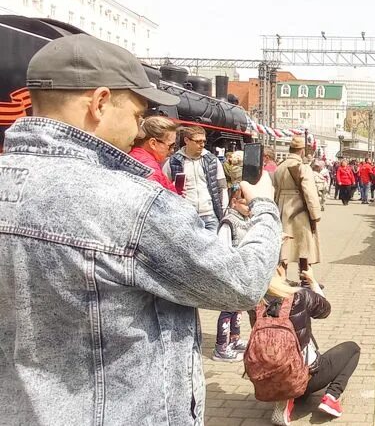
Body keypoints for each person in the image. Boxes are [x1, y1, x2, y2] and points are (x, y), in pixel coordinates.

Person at [0, 34, 282, 425]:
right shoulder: (130, 203)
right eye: (136, 114)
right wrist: (265, 206)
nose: (138, 129)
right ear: (99, 103)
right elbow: (243, 282)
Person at [259, 267, 360, 425]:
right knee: (353, 349)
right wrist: (312, 281)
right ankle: (331, 397)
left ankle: (285, 398)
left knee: (285, 366)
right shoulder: (300, 295)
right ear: (279, 270)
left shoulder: (255, 301)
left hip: (268, 379)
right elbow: (325, 310)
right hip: (304, 377)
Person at [212, 183, 255, 362]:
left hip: (243, 272)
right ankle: (221, 346)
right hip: (230, 273)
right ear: (235, 201)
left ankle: (234, 339)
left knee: (239, 308)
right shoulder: (229, 222)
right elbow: (222, 249)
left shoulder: (246, 220)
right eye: (246, 204)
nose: (250, 208)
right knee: (228, 309)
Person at [274, 136, 322, 285]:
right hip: (299, 209)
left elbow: (275, 189)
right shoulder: (303, 167)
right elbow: (309, 192)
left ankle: (281, 278)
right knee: (304, 245)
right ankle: (306, 278)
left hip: (282, 207)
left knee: (284, 246)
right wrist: (315, 214)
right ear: (302, 151)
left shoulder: (280, 167)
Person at [164, 125, 229, 231]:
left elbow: (222, 187)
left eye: (203, 141)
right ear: (186, 140)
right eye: (198, 141)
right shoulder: (173, 162)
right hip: (186, 216)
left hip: (210, 215)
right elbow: (164, 187)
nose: (202, 145)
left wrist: (224, 211)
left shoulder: (212, 160)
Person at [129, 116, 180, 193]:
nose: (172, 150)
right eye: (170, 146)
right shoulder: (150, 168)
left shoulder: (135, 156)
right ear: (153, 143)